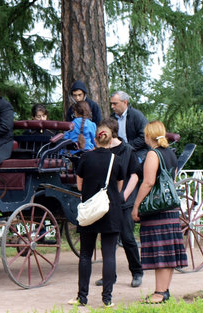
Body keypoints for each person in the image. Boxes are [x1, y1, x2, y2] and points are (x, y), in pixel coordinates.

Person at [131, 120, 188, 304]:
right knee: (168, 253)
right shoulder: (171, 154)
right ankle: (164, 291)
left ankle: (159, 293)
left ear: (149, 136)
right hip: (170, 209)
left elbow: (148, 183)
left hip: (157, 210)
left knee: (161, 252)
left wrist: (136, 205)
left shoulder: (153, 154)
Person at [68, 124, 123, 308]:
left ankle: (82, 297)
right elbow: (120, 187)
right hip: (111, 211)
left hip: (90, 211)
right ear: (111, 140)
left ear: (95, 140)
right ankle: (107, 299)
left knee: (85, 255)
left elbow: (79, 185)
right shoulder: (117, 159)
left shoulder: (86, 158)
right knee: (109, 256)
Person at [94, 118, 143, 288]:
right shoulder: (100, 148)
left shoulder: (127, 150)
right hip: (105, 201)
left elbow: (135, 175)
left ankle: (137, 272)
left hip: (123, 201)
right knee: (108, 239)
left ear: (111, 131)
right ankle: (109, 276)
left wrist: (124, 196)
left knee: (127, 237)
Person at [110, 91, 149, 162]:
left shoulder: (137, 116)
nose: (112, 106)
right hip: (117, 152)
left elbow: (144, 137)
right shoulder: (112, 118)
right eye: (111, 104)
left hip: (137, 151)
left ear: (125, 102)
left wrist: (126, 147)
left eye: (115, 104)